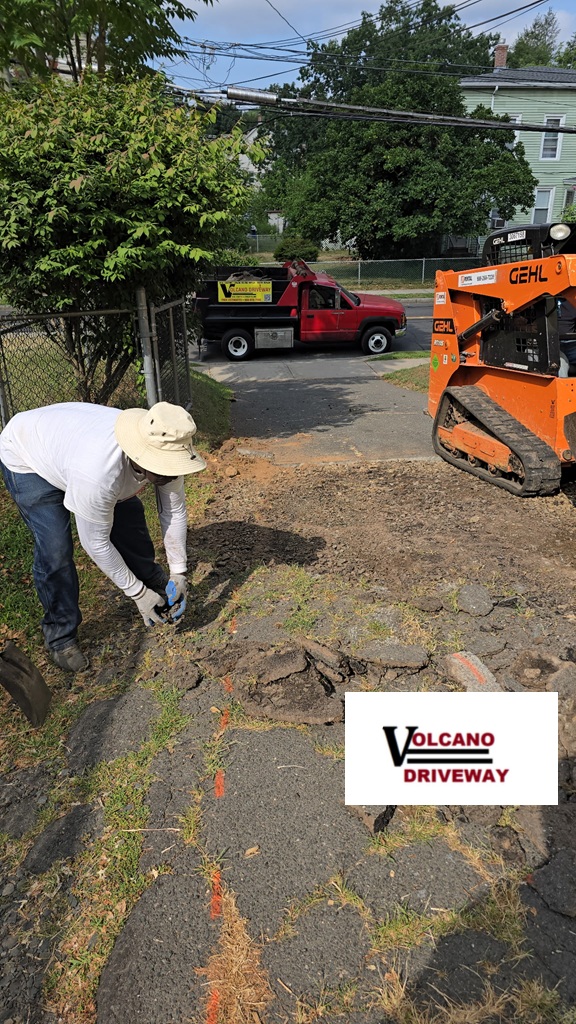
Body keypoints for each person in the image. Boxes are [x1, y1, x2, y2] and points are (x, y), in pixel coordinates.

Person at [0, 402, 206, 673]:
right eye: (164, 469)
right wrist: (137, 594)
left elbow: (174, 511)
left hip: (68, 445)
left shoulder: (166, 441)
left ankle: (151, 576)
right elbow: (95, 543)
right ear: (141, 459)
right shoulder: (98, 473)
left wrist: (179, 572)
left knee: (129, 521)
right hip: (28, 457)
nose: (172, 475)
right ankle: (60, 635)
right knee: (56, 550)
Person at [557, 296, 576, 377]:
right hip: (552, 344)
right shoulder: (538, 297)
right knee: (560, 363)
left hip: (572, 343)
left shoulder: (572, 297)